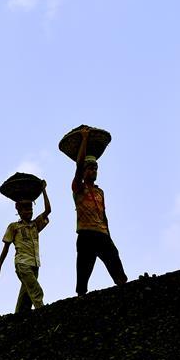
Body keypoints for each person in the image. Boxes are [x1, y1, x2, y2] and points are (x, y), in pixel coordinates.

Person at [72, 127, 128, 296]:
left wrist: (108, 234)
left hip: (102, 234)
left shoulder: (99, 192)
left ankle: (125, 290)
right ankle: (80, 299)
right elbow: (79, 164)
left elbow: (103, 216)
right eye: (90, 168)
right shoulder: (78, 188)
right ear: (83, 171)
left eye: (95, 168)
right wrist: (84, 139)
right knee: (83, 271)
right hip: (86, 235)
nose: (93, 171)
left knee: (115, 261)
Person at [0, 180, 51, 313]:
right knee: (36, 290)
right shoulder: (14, 227)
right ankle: (43, 313)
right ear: (19, 211)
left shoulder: (35, 225)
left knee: (26, 296)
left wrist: (43, 190)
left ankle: (17, 318)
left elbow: (48, 210)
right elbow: (5, 248)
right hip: (22, 263)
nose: (29, 211)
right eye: (25, 209)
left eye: (30, 208)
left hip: (35, 264)